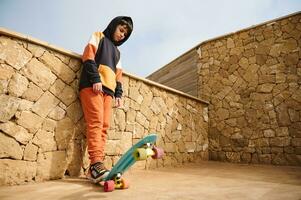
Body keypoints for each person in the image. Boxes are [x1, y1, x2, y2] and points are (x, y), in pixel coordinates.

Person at [79, 16, 133, 182]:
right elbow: (88, 56)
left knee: (104, 126)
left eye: (126, 34)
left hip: (108, 91)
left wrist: (118, 94)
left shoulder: (117, 52)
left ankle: (95, 167)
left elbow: (118, 76)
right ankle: (96, 163)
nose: (122, 35)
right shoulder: (98, 36)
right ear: (113, 26)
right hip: (93, 85)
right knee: (95, 122)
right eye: (121, 30)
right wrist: (95, 78)